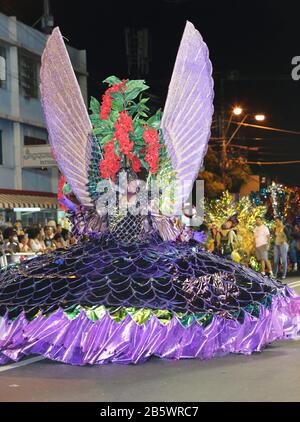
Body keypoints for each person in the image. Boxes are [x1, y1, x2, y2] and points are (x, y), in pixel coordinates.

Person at [0, 24, 299, 367]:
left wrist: (170, 227)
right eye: (123, 175)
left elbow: (167, 226)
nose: (129, 182)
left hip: (151, 259)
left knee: (168, 295)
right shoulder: (106, 194)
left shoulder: (150, 195)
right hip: (105, 260)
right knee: (91, 295)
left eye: (133, 177)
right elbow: (94, 223)